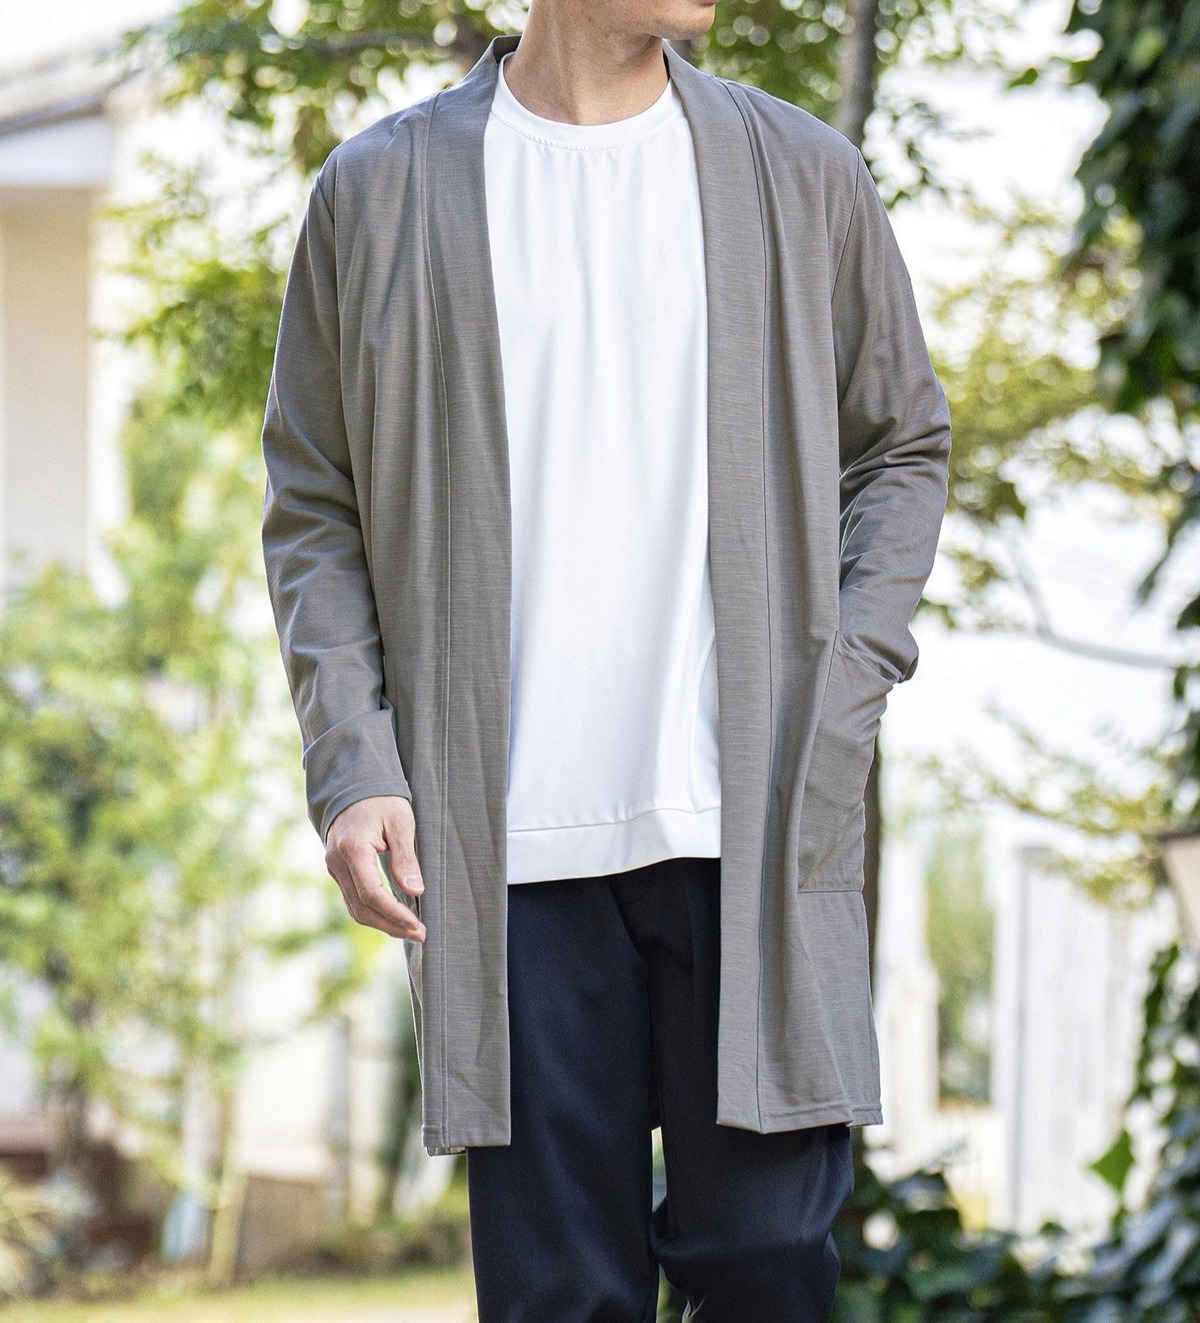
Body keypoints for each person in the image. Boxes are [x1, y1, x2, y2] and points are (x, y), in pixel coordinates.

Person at [260, 1, 952, 1318]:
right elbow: (314, 502)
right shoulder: (381, 189)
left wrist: (848, 678)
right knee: (558, 1299)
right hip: (505, 853)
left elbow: (901, 446)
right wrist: (356, 764)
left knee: (769, 1265)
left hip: (750, 827)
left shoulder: (801, 172)